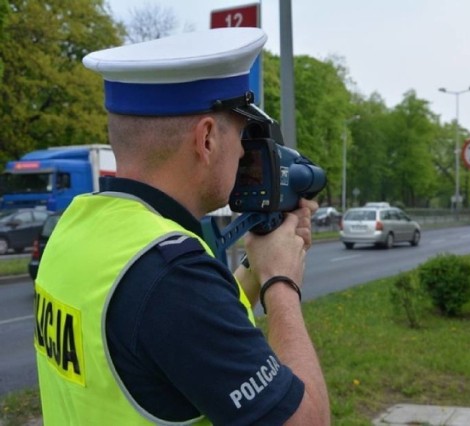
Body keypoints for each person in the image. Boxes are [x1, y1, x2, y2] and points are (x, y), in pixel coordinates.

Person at [34, 27, 330, 425]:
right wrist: (282, 282)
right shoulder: (172, 276)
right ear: (207, 138)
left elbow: (162, 332)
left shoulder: (76, 227)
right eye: (242, 136)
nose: (245, 152)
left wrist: (255, 266)